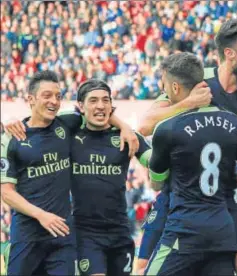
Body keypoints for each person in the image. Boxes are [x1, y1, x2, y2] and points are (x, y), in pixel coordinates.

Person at [138, 17, 237, 276]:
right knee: (142, 266)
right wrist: (186, 104)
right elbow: (145, 125)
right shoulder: (195, 81)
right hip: (178, 194)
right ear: (230, 54)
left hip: (224, 198)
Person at [1, 71, 139, 275]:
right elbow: (6, 193)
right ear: (30, 99)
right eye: (47, 95)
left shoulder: (66, 123)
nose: (54, 101)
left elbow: (96, 110)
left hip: (62, 236)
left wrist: (124, 126)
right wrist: (41, 215)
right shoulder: (11, 138)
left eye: (58, 96)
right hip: (27, 235)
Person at [71, 79, 151, 276]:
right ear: (80, 106)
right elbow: (39, 121)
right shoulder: (68, 134)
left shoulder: (127, 137)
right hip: (85, 233)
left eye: (105, 100)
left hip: (120, 232)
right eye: (93, 100)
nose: (100, 105)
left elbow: (156, 163)